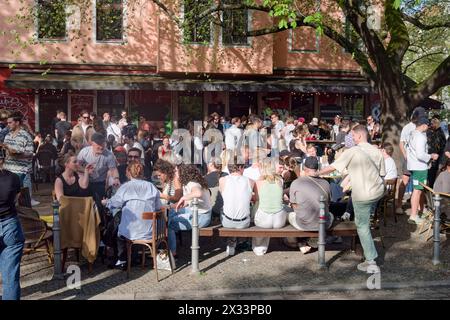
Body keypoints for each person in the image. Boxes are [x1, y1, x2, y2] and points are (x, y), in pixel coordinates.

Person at [316, 125, 386, 274]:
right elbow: (381, 173)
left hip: (363, 194)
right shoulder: (377, 151)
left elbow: (333, 167)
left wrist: (317, 173)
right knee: (365, 223)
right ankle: (366, 251)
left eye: (353, 136)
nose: (352, 138)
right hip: (376, 192)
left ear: (359, 136)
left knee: (362, 226)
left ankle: (371, 260)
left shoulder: (353, 151)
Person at [103, 161, 162, 269]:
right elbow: (158, 207)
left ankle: (122, 259)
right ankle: (133, 257)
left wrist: (107, 202)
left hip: (130, 232)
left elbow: (115, 203)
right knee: (122, 223)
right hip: (150, 231)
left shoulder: (126, 187)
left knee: (117, 229)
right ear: (142, 172)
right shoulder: (151, 187)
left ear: (128, 173)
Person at [288, 156, 334, 253]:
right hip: (324, 223)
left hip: (303, 224)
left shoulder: (296, 183)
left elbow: (294, 205)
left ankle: (299, 241)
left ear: (304, 169)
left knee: (290, 214)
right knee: (330, 215)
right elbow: (328, 204)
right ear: (318, 168)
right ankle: (310, 241)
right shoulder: (326, 183)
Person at [168, 164, 212, 258]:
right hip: (196, 211)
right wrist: (169, 207)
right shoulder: (189, 183)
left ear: (182, 173)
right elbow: (187, 202)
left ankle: (172, 252)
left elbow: (198, 193)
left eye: (176, 171)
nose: (175, 173)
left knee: (169, 223)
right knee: (170, 213)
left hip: (201, 217)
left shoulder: (192, 183)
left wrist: (184, 197)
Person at [0, 147, 25, 300]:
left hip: (10, 224)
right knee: (11, 275)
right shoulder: (14, 178)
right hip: (10, 223)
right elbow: (16, 199)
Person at [405, 117, 439, 225]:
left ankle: (416, 213)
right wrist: (431, 156)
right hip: (420, 167)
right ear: (424, 125)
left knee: (417, 190)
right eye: (427, 126)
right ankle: (414, 215)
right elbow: (420, 154)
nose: (428, 128)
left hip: (413, 165)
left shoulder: (412, 133)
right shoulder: (420, 137)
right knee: (418, 191)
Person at [252, 158, 287, 256]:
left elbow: (257, 200)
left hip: (264, 220)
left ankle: (260, 248)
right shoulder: (280, 180)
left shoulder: (259, 181)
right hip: (279, 220)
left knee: (258, 209)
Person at [219, 162, 255, 256]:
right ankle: (242, 241)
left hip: (227, 222)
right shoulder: (250, 181)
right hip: (244, 223)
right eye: (244, 167)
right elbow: (254, 199)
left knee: (224, 208)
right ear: (240, 167)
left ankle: (232, 241)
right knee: (248, 208)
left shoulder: (222, 180)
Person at [77, 132, 119, 208]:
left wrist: (116, 179)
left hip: (100, 183)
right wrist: (85, 170)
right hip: (86, 181)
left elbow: (113, 169)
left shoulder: (108, 155)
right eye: (98, 147)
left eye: (102, 146)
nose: (101, 149)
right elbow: (77, 166)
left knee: (99, 204)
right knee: (85, 204)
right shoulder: (84, 152)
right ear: (92, 144)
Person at [397, 107, 427, 214]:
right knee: (404, 181)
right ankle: (399, 205)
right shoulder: (408, 127)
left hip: (421, 162)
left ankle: (420, 208)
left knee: (421, 185)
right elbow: (402, 143)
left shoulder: (423, 126)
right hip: (409, 159)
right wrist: (406, 156)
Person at [1, 112, 34, 187]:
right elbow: (6, 154)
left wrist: (17, 154)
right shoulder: (8, 135)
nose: (8, 125)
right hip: (8, 171)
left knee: (24, 197)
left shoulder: (26, 136)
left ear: (17, 123)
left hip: (21, 172)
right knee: (10, 197)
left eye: (10, 123)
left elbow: (30, 154)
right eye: (7, 123)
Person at [426, 117, 447, 187]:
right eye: (431, 123)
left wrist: (441, 157)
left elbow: (443, 146)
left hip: (436, 157)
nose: (432, 125)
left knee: (432, 174)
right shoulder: (428, 131)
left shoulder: (440, 133)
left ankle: (431, 190)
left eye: (433, 124)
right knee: (428, 174)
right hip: (428, 156)